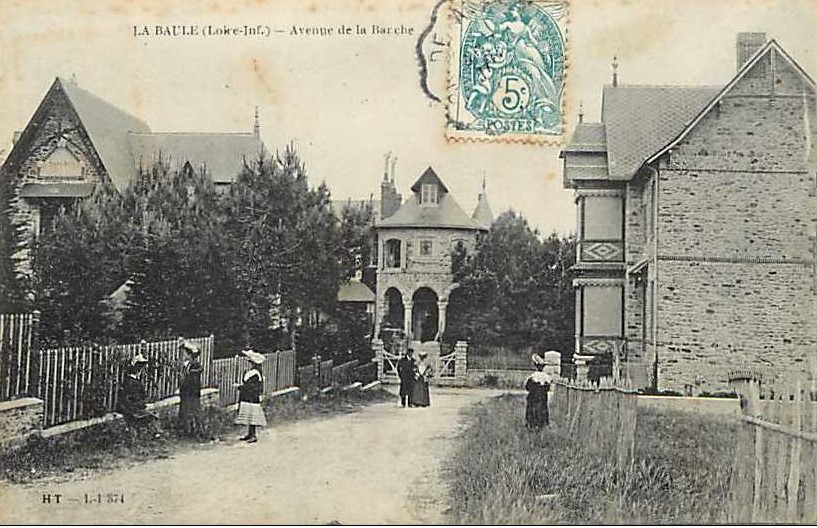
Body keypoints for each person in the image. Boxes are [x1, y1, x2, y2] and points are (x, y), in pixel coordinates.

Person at [235, 349, 267, 443]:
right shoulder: (254, 372)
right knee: (249, 415)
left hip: (252, 397)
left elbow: (251, 387)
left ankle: (253, 435)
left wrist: (241, 387)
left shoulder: (255, 374)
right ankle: (250, 434)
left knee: (252, 415)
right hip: (249, 397)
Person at [117, 352, 157, 424]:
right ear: (138, 369)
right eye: (141, 368)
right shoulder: (132, 382)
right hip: (133, 411)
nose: (142, 371)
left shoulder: (131, 381)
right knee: (152, 418)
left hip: (135, 408)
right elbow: (131, 400)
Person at [178, 339, 203, 437]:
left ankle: (197, 432)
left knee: (194, 411)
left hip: (191, 392)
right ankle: (187, 431)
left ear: (190, 354)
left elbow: (192, 380)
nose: (184, 355)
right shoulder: (188, 364)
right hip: (186, 392)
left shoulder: (195, 365)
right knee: (186, 412)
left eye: (185, 353)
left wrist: (184, 385)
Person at [525, 353, 552, 428]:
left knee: (532, 409)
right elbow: (548, 388)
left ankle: (532, 424)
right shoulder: (546, 377)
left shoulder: (533, 377)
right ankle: (542, 424)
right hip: (542, 397)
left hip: (533, 397)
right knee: (542, 409)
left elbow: (527, 387)